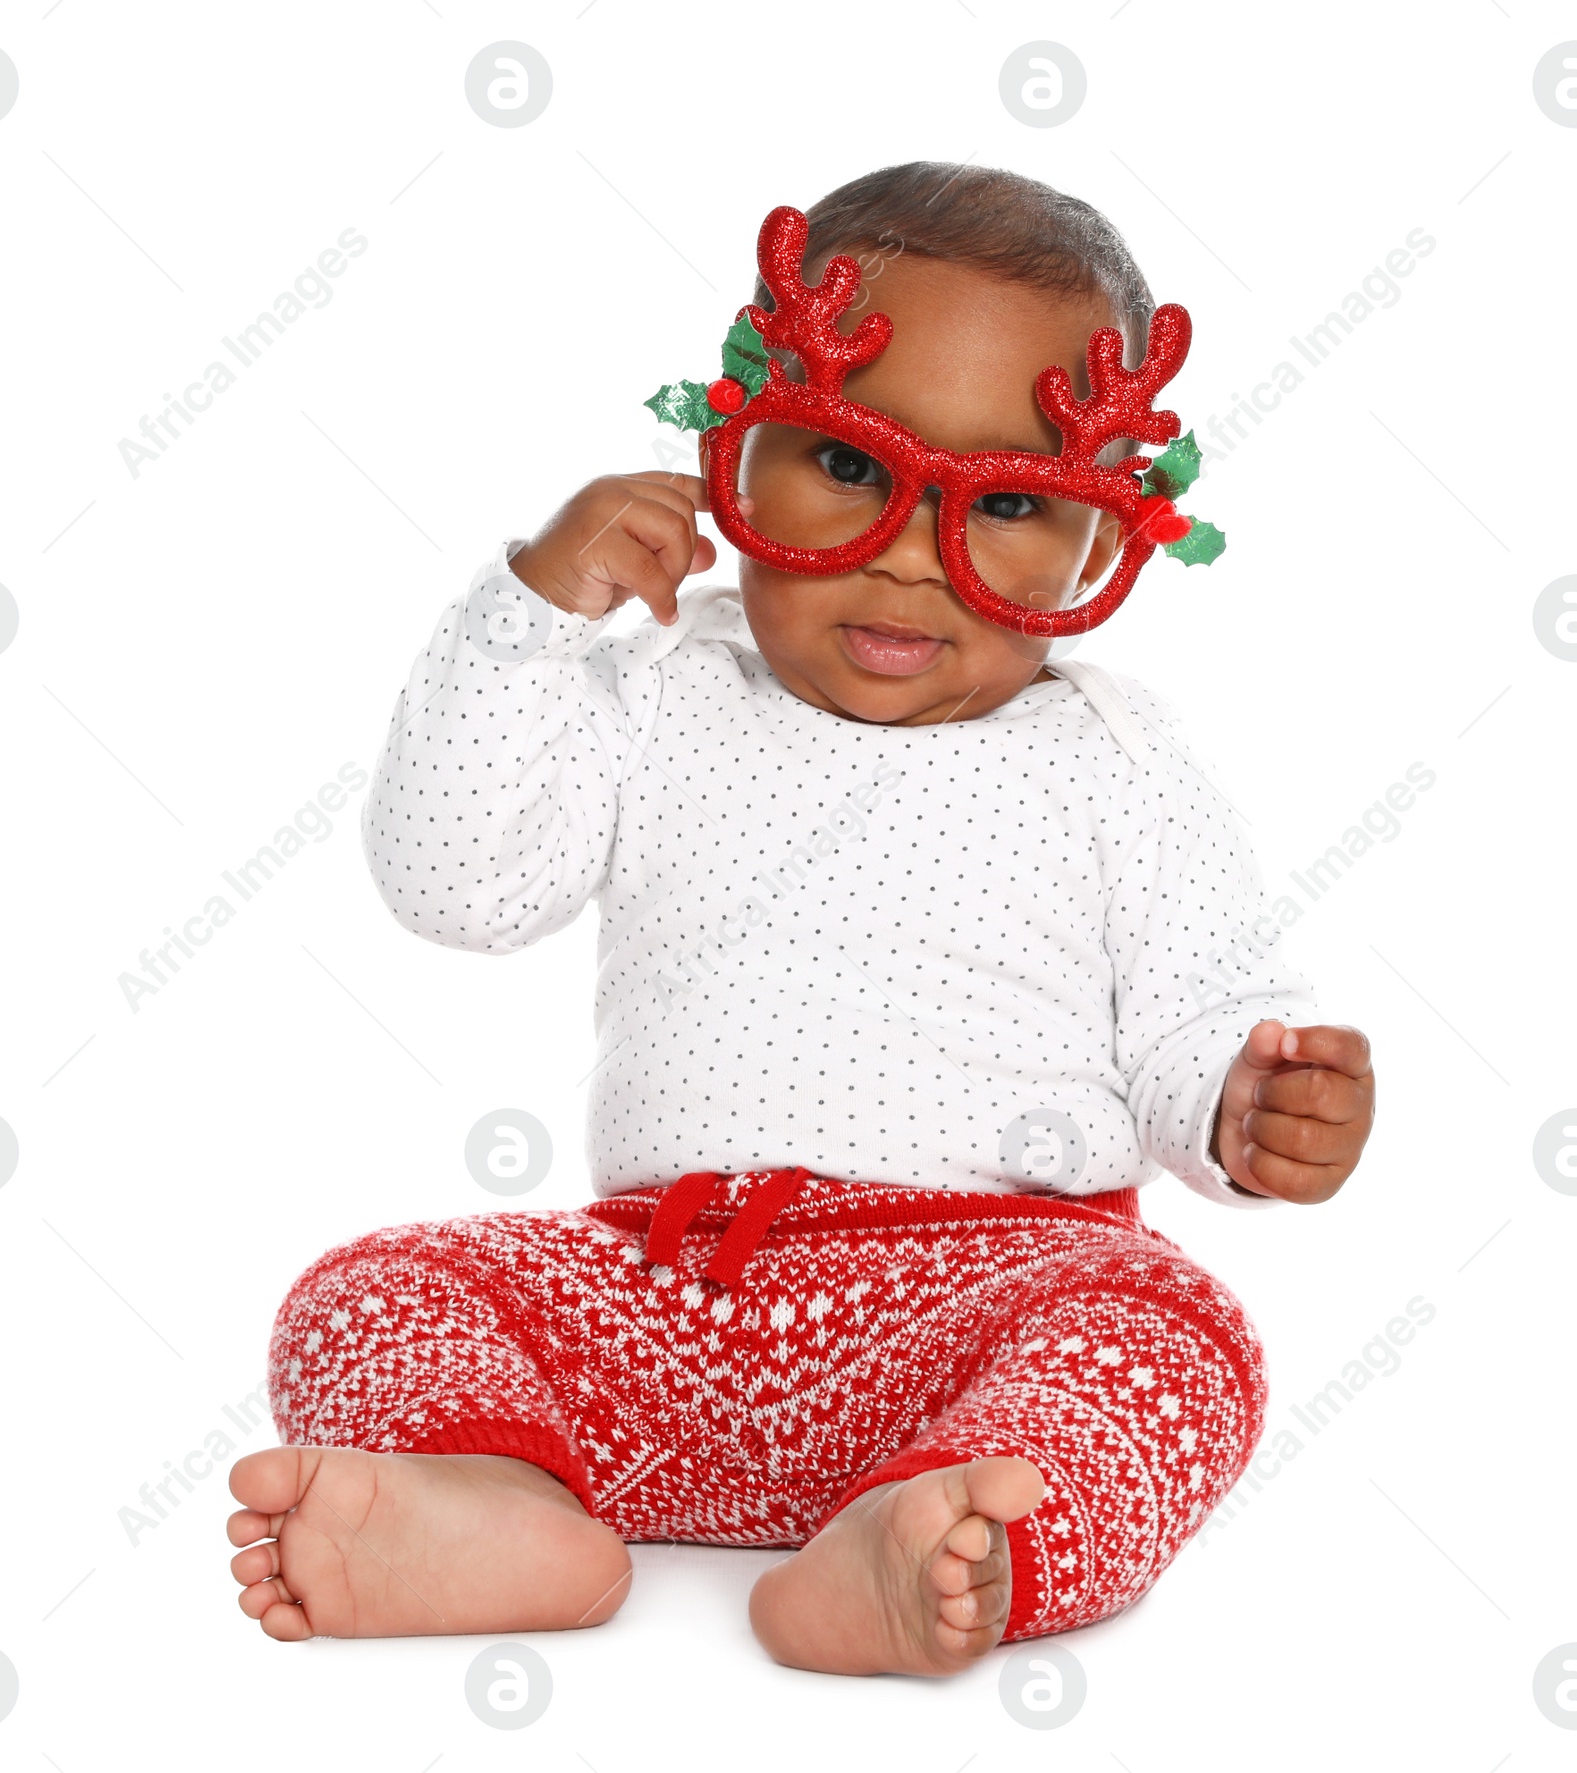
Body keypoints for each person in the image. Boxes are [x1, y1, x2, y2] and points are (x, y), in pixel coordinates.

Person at [225, 162, 1374, 1677]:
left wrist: (1247, 1097)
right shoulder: (658, 691)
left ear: (1109, 543)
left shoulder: (1114, 759)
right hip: (663, 1298)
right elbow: (455, 879)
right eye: (848, 467)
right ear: (737, 452)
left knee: (1170, 1334)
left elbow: (1190, 1008)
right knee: (374, 1292)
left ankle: (945, 1538)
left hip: (986, 1302)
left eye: (1010, 505)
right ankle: (498, 1502)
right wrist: (533, 615)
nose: (910, 550)